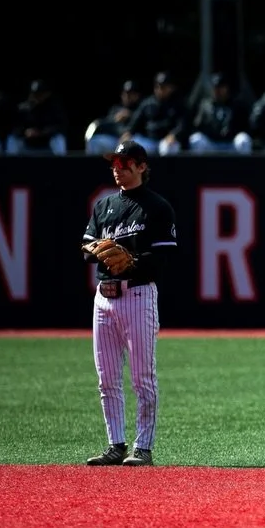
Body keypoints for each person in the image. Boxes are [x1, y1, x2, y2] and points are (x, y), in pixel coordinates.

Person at [81, 140, 178, 467]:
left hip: (138, 294)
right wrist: (100, 249)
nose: (117, 169)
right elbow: (85, 248)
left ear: (141, 166)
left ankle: (144, 448)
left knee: (141, 377)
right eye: (114, 165)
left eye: (124, 164)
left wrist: (132, 261)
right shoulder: (104, 205)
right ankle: (115, 444)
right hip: (104, 298)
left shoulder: (157, 207)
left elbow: (164, 256)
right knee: (106, 377)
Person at [126, 71, 188, 156]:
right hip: (150, 140)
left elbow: (182, 124)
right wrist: (128, 133)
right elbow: (135, 122)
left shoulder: (179, 103)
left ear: (171, 87)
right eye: (157, 86)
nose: (160, 90)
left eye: (163, 87)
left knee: (169, 148)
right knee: (130, 147)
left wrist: (174, 135)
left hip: (167, 140)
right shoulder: (148, 103)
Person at [187, 72, 252, 152]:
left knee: (243, 139)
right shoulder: (205, 106)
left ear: (227, 88)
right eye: (215, 88)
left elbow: (245, 127)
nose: (218, 91)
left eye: (221, 87)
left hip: (231, 143)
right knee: (196, 139)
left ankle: (243, 165)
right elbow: (197, 126)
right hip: (212, 143)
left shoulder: (237, 105)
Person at [7, 78, 69, 155]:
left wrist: (41, 132)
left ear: (47, 94)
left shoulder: (54, 108)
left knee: (59, 139)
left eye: (40, 94)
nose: (37, 97)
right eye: (35, 94)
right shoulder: (23, 108)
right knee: (12, 139)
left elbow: (61, 126)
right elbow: (15, 127)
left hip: (47, 141)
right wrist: (25, 132)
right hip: (28, 141)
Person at [84, 79, 144, 156]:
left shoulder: (141, 108)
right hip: (115, 139)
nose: (127, 96)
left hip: (133, 139)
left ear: (137, 95)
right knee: (94, 142)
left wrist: (131, 115)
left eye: (131, 93)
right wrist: (114, 119)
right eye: (125, 93)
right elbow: (107, 125)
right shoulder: (116, 109)